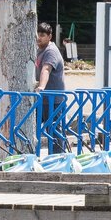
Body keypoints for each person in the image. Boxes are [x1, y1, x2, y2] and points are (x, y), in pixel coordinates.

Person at [36, 21, 69, 153]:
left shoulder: (51, 51)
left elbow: (46, 69)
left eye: (42, 35)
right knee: (32, 125)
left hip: (53, 99)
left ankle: (58, 157)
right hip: (42, 99)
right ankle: (31, 154)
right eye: (38, 34)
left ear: (50, 36)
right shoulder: (39, 49)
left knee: (54, 129)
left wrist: (41, 87)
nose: (39, 37)